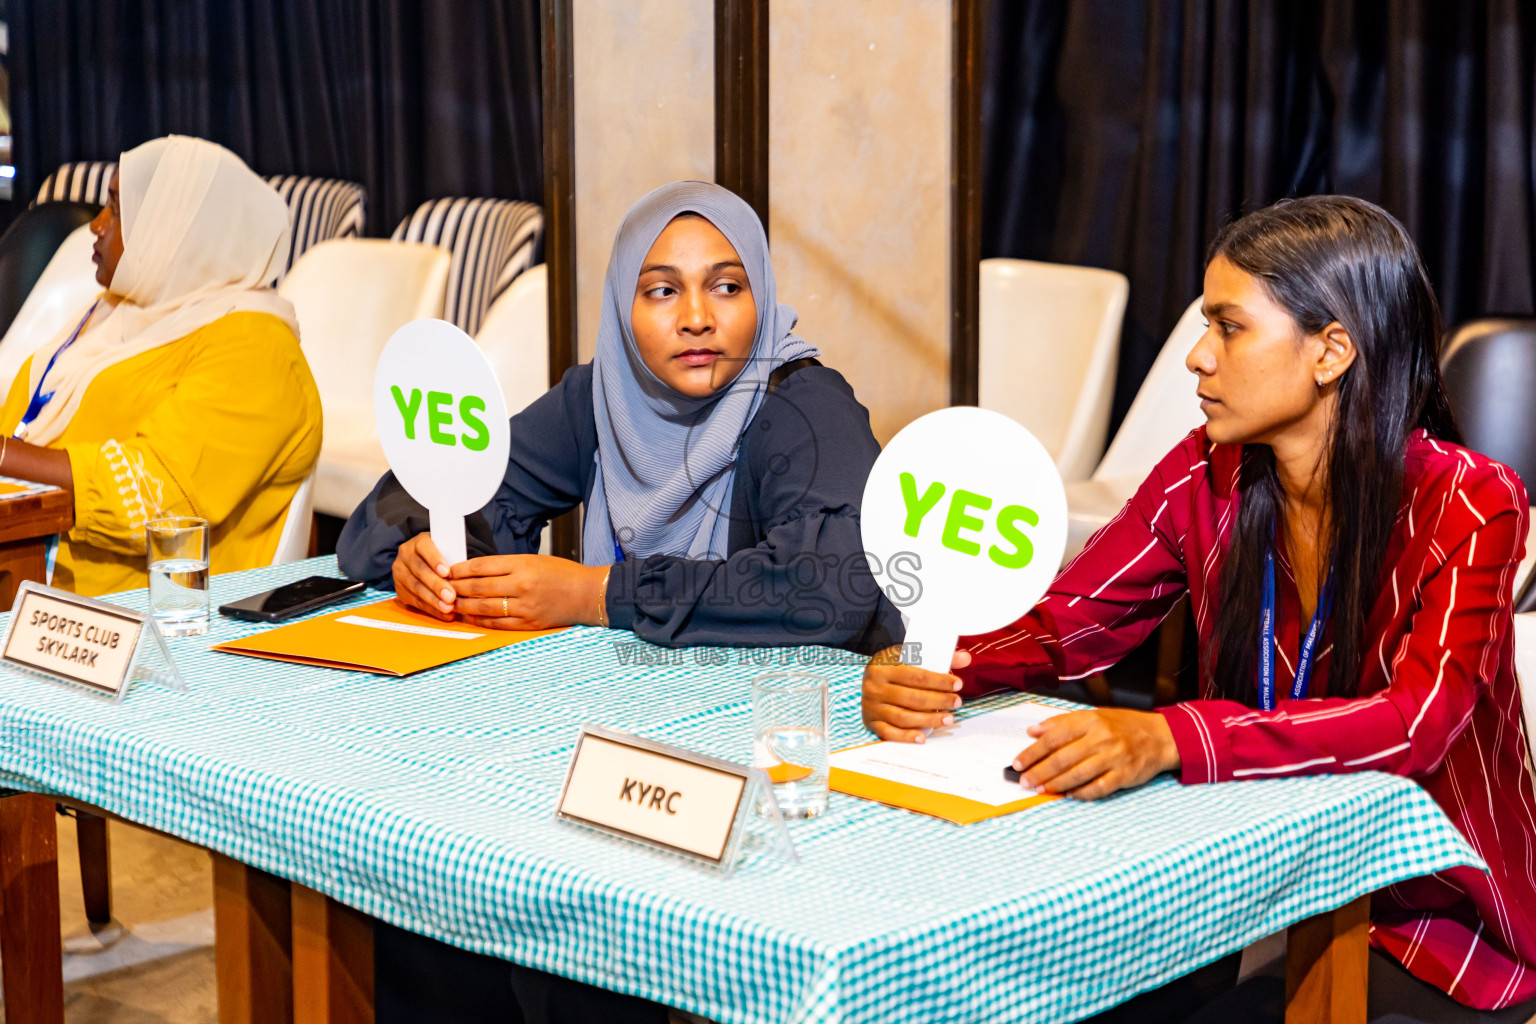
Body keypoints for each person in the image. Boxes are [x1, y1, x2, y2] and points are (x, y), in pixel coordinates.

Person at [862, 196, 1536, 1021]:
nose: (1195, 356)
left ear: (1331, 351)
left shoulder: (1470, 498)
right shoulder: (1202, 471)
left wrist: (1169, 734)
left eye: (1228, 327)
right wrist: (931, 664)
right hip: (1245, 881)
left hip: (1428, 919)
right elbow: (1069, 624)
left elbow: (1416, 722)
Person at [339, 180, 900, 654]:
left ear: (762, 295)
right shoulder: (603, 395)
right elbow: (442, 487)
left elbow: (827, 589)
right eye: (661, 291)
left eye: (727, 287)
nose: (697, 318)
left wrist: (597, 594)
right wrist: (431, 555)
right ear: (621, 308)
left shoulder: (804, 403)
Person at [0, 135, 322, 596]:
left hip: (140, 619)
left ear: (177, 230)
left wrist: (7, 457)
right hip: (29, 564)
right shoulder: (118, 314)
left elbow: (159, 499)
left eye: (117, 209)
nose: (96, 225)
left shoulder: (257, 348)